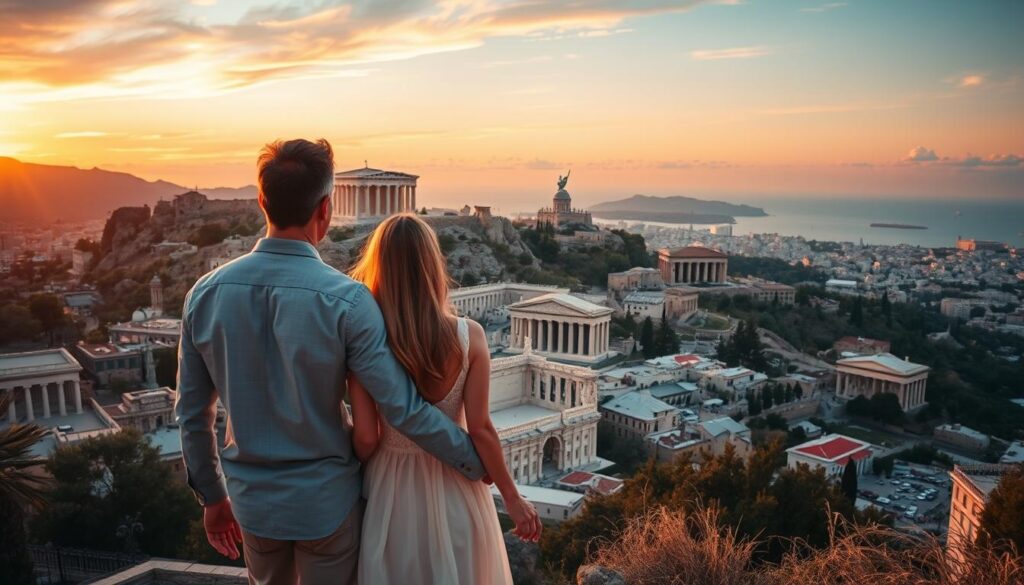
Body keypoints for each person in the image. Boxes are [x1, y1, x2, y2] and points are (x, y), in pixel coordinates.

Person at [175, 138, 486, 585]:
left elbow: (192, 415)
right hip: (327, 502)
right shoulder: (348, 301)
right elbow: (401, 408)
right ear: (325, 209)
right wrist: (474, 461)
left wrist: (211, 497)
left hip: (253, 502)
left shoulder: (203, 294)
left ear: (263, 202)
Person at [348, 213, 541, 585]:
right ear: (432, 266)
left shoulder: (367, 345)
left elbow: (367, 437)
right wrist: (513, 499)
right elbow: (482, 429)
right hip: (458, 484)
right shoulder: (470, 336)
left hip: (391, 490)